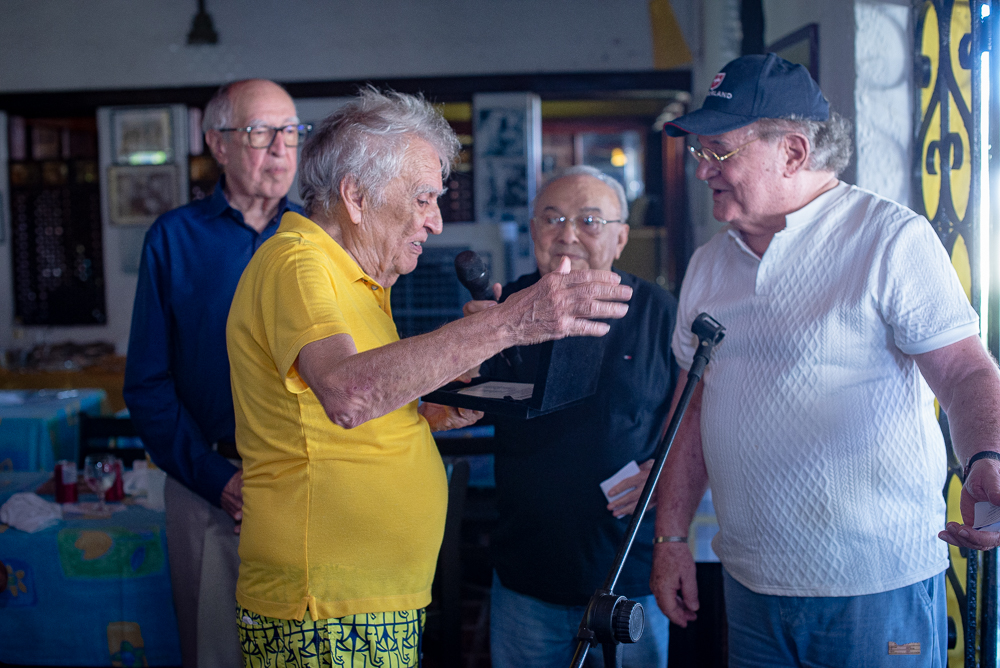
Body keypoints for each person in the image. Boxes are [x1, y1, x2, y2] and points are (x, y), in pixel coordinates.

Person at [224, 89, 633, 668]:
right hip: (327, 604)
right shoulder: (299, 261)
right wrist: (511, 324)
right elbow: (347, 392)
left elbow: (359, 408)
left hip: (365, 597)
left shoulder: (360, 279)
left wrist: (433, 411)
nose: (435, 223)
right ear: (356, 196)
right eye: (423, 199)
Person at [649, 53, 1000, 668]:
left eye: (719, 152)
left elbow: (966, 371)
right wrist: (671, 537)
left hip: (875, 585)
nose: (703, 170)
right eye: (700, 152)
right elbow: (691, 409)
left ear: (791, 152)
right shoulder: (709, 263)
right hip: (750, 581)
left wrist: (988, 459)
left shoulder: (889, 238)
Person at [123, 79, 305, 668]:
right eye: (260, 132)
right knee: (215, 653)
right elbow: (146, 384)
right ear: (217, 144)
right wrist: (214, 478)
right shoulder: (173, 238)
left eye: (291, 132)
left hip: (308, 483)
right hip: (208, 486)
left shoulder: (321, 238)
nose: (281, 147)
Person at [465, 165, 677, 667]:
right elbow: (447, 409)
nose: (568, 235)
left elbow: (699, 411)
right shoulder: (502, 311)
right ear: (533, 230)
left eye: (589, 220)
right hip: (525, 578)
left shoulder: (659, 313)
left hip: (629, 578)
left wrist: (666, 474)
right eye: (552, 218)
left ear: (621, 236)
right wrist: (473, 344)